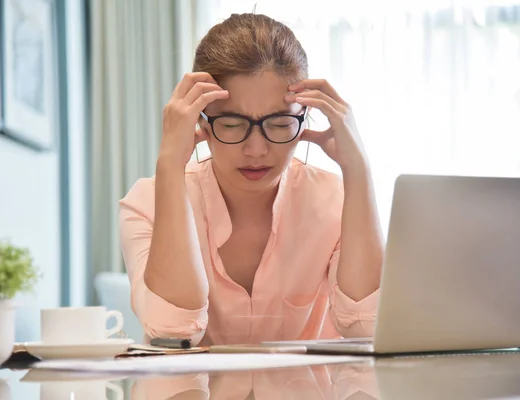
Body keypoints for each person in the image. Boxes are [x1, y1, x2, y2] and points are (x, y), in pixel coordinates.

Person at [119, 13, 383, 346]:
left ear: (304, 119)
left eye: (279, 123)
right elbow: (172, 331)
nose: (256, 149)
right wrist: (170, 163)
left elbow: (367, 328)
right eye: (231, 123)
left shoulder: (338, 201)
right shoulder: (146, 204)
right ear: (199, 122)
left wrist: (358, 168)